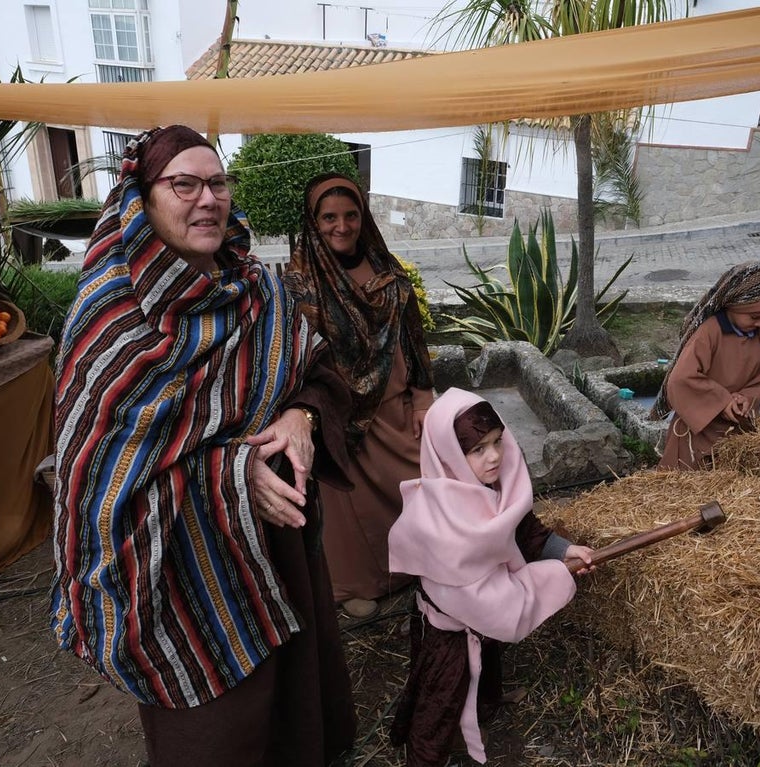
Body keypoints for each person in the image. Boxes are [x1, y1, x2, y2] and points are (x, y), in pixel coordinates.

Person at [50, 125, 356, 766]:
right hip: (181, 565)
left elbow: (322, 373)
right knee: (215, 731)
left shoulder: (259, 292)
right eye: (182, 184)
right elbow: (100, 478)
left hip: (280, 540)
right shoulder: (112, 319)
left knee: (295, 697)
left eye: (216, 183)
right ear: (143, 201)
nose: (207, 199)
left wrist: (301, 415)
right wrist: (231, 473)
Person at [387, 388, 594, 767]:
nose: (496, 456)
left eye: (498, 442)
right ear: (448, 454)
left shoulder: (499, 488)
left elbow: (524, 531)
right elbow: (453, 585)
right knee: (441, 692)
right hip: (448, 626)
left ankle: (483, 710)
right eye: (478, 449)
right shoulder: (432, 513)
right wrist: (521, 588)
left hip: (488, 609)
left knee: (487, 664)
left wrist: (563, 551)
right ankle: (426, 755)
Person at [284, 172, 435, 619]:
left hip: (393, 405)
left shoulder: (386, 269)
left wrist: (424, 395)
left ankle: (425, 564)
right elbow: (292, 354)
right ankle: (355, 584)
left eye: (351, 215)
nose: (342, 226)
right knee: (346, 505)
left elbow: (412, 334)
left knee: (417, 480)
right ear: (313, 222)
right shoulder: (300, 282)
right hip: (339, 413)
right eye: (329, 217)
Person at [648, 261, 760, 471]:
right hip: (697, 431)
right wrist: (721, 402)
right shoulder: (709, 332)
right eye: (754, 316)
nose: (759, 323)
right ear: (733, 304)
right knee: (689, 484)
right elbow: (681, 380)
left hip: (736, 428)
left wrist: (746, 397)